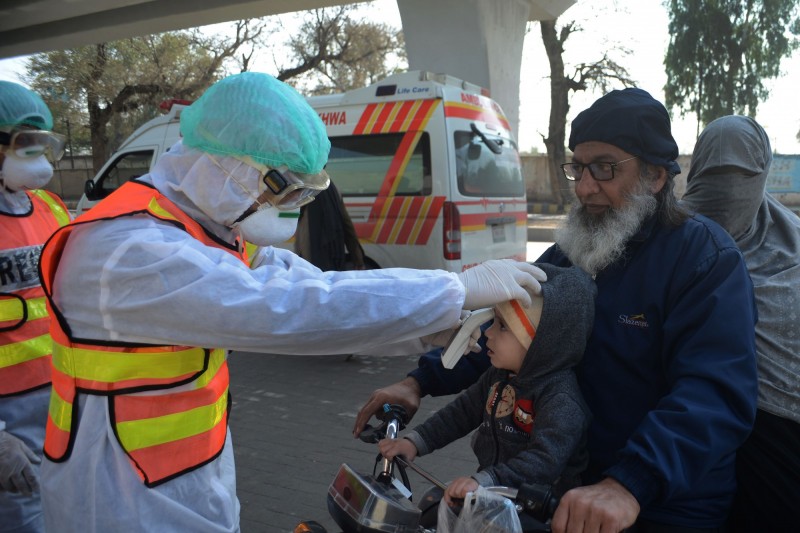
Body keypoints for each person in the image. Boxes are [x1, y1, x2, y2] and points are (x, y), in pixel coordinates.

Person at [35, 71, 545, 532]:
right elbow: (289, 308)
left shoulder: (201, 224)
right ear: (222, 164)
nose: (283, 210)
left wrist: (431, 324)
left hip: (180, 475)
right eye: (279, 187)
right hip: (116, 497)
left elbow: (305, 282)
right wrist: (452, 289)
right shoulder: (129, 249)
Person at [354, 88, 759, 532]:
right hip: (555, 486)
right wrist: (420, 381)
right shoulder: (568, 256)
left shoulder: (703, 260)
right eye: (578, 167)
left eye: (605, 168)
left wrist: (629, 484)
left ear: (656, 176)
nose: (585, 187)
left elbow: (714, 393)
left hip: (658, 502)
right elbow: (503, 329)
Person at [378, 264, 595, 508]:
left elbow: (544, 460)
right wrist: (415, 442)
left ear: (540, 345)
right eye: (492, 321)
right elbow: (461, 413)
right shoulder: (499, 376)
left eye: (502, 326)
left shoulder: (560, 398)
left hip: (542, 510)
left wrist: (487, 480)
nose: (487, 333)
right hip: (496, 495)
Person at [680, 115, 800, 532]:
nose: (729, 191)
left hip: (781, 432)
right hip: (691, 426)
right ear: (696, 173)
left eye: (743, 177)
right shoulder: (669, 239)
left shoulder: (794, 244)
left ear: (762, 176)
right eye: (716, 177)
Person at [0, 81, 69, 532]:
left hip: (62, 398)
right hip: (8, 418)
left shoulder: (50, 207)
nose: (38, 156)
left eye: (43, 143)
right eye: (26, 143)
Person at [295, 179, 365, 270]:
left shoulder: (302, 186)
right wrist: (357, 258)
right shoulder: (332, 188)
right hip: (331, 256)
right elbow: (347, 225)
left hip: (308, 258)